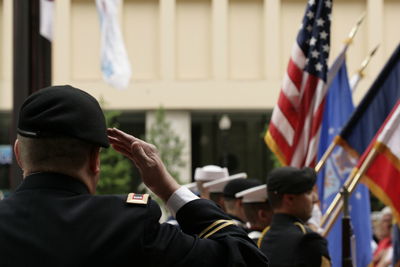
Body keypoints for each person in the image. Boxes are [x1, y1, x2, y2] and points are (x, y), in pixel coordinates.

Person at [0, 85, 268, 266]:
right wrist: (167, 188)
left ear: (19, 154)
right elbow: (247, 258)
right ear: (95, 160)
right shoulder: (128, 225)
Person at [259, 166, 331, 267]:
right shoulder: (308, 240)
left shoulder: (263, 238)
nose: (315, 199)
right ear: (290, 199)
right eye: (308, 192)